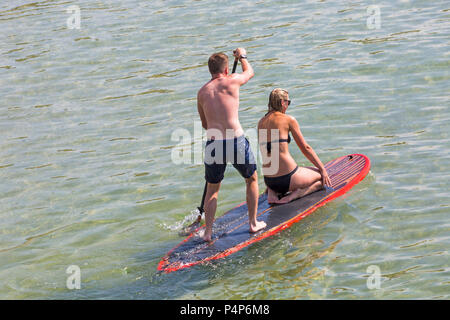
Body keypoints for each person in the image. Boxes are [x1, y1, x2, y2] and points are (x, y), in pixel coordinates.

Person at [197, 48, 266, 242]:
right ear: (226, 69)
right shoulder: (233, 80)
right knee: (251, 178)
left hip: (213, 143)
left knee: (213, 188)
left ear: (210, 70)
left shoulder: (202, 92)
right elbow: (250, 72)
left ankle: (208, 232)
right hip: (235, 140)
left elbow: (204, 124)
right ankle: (253, 224)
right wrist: (242, 56)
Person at [258, 88, 332, 204]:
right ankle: (295, 195)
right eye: (288, 102)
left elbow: (265, 152)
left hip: (270, 180)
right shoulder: (288, 120)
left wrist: (270, 184)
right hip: (287, 178)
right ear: (283, 103)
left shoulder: (261, 122)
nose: (288, 105)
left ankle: (272, 194)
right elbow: (305, 148)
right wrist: (323, 169)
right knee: (321, 178)